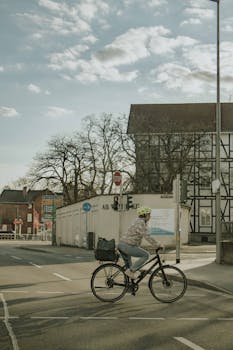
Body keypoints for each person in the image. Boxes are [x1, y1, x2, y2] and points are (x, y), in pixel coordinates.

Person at [118, 206, 163, 279]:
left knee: (129, 268)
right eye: (149, 214)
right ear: (145, 215)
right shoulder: (141, 223)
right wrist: (157, 244)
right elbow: (147, 236)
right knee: (146, 255)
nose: (150, 216)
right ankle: (131, 271)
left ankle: (129, 286)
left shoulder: (138, 221)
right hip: (127, 246)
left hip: (123, 245)